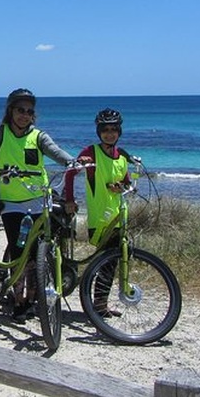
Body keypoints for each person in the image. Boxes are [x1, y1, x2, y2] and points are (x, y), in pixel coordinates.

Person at [0, 88, 73, 322]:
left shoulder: (38, 136)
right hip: (11, 202)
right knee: (17, 249)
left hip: (37, 201)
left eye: (29, 112)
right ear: (10, 110)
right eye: (20, 110)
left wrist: (72, 162)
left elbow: (55, 152)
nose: (24, 115)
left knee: (36, 254)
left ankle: (33, 299)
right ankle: (19, 299)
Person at [63, 108, 135, 317]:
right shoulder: (90, 152)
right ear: (99, 131)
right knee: (105, 262)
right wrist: (69, 199)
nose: (109, 134)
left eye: (114, 129)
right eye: (105, 130)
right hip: (99, 218)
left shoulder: (121, 156)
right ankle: (98, 305)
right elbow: (70, 174)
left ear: (119, 131)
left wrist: (120, 185)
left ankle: (100, 304)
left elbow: (127, 183)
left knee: (112, 263)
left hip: (118, 216)